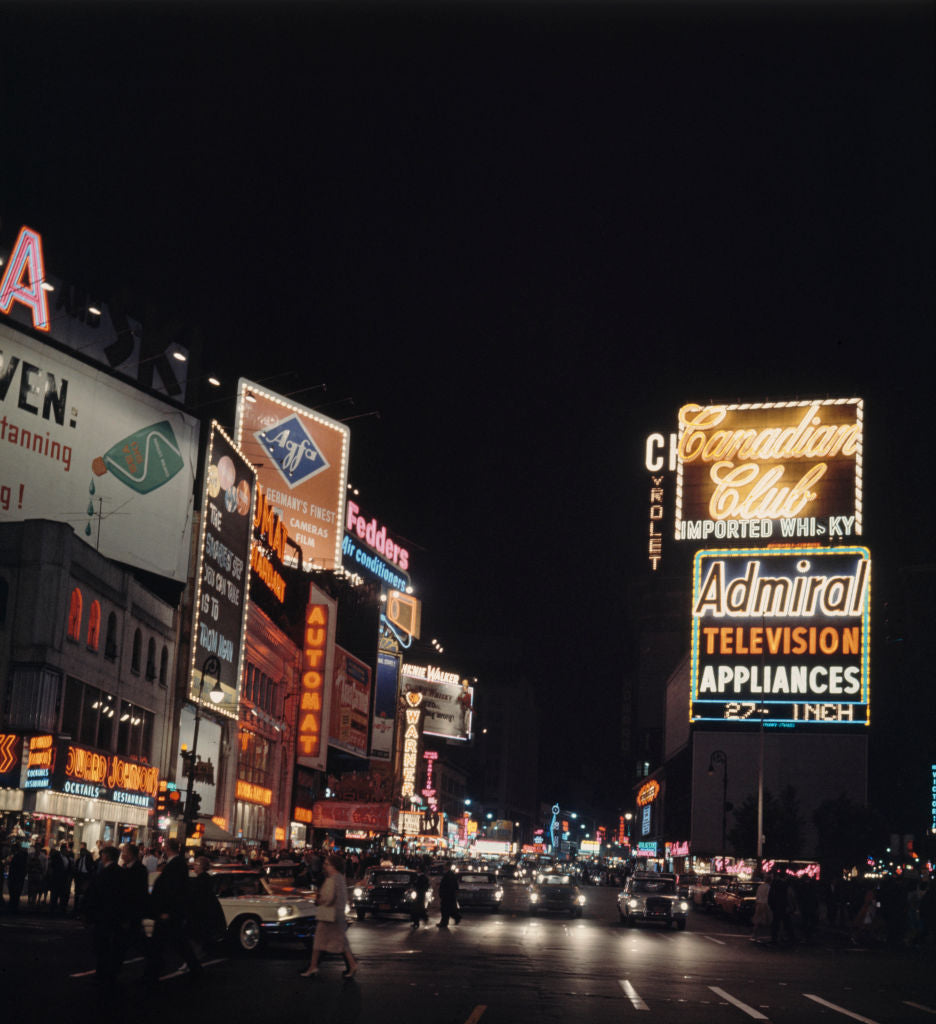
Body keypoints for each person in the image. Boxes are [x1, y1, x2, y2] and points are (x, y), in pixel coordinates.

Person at [147, 838, 202, 982]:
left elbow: (172, 890)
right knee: (176, 943)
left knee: (165, 943)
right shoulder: (178, 864)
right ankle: (194, 967)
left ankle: (153, 972)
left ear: (167, 848)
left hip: (169, 912)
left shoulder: (176, 865)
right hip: (172, 911)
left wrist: (166, 910)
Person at [300, 853, 359, 979]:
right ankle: (314, 966)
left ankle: (313, 967)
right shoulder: (339, 878)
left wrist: (319, 899)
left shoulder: (332, 879)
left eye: (327, 864)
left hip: (329, 916)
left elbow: (328, 897)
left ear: (334, 866)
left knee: (322, 942)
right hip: (335, 915)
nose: (325, 866)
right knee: (335, 942)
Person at [83, 846, 124, 990]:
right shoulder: (120, 873)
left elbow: (95, 895)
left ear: (106, 856)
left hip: (102, 915)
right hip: (114, 914)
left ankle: (101, 973)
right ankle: (110, 973)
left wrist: (89, 914)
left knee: (101, 946)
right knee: (110, 946)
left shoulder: (104, 873)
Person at [187, 856, 227, 957]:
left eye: (196, 864)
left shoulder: (200, 880)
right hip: (207, 911)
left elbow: (196, 897)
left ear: (200, 866)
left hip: (200, 913)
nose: (194, 866)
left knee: (194, 936)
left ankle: (194, 957)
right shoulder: (207, 878)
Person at [7, 844, 28, 913]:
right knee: (15, 893)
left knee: (14, 892)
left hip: (16, 877)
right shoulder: (19, 856)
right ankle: (13, 906)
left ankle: (13, 907)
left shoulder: (18, 856)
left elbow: (17, 868)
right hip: (17, 877)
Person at [750, 874, 771, 942]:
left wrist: (756, 903)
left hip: (759, 904)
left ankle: (755, 935)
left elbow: (757, 896)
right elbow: (768, 896)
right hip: (765, 904)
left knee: (757, 920)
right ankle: (762, 936)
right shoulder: (769, 887)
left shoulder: (760, 886)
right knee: (766, 920)